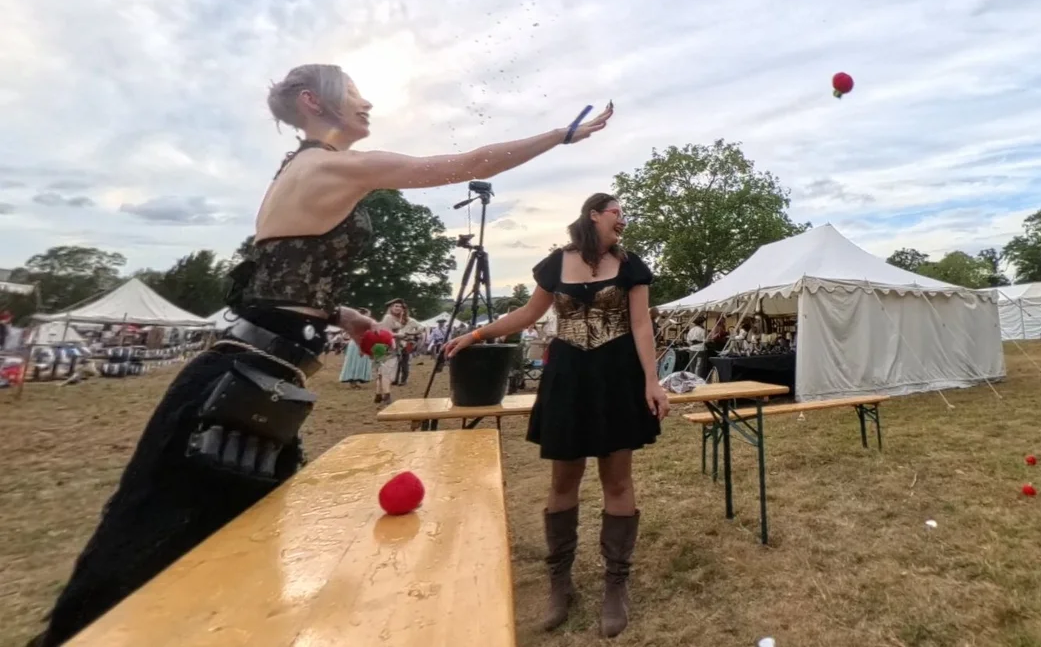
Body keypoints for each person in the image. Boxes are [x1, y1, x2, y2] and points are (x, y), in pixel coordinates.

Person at [29, 64, 611, 646]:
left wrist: (342, 315)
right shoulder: (330, 166)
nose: (367, 103)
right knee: (146, 566)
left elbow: (268, 284)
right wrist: (559, 135)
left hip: (255, 379)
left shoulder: (296, 170)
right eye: (354, 94)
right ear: (313, 102)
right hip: (237, 389)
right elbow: (470, 164)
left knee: (223, 559)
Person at [445, 193, 668, 638]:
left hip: (616, 376)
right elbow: (529, 313)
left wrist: (652, 380)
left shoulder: (631, 265)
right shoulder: (556, 263)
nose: (623, 220)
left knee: (617, 480)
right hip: (567, 376)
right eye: (617, 213)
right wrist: (477, 335)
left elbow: (641, 324)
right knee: (564, 479)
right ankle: (559, 584)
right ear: (594, 215)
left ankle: (615, 585)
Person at [378, 298, 423, 393]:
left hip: (404, 343)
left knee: (404, 362)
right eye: (396, 306)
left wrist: (411, 334)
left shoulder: (410, 320)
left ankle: (403, 380)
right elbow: (387, 332)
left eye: (401, 308)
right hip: (392, 344)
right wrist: (400, 335)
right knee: (393, 363)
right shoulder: (390, 318)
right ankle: (392, 382)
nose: (400, 309)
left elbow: (421, 327)